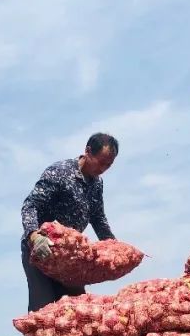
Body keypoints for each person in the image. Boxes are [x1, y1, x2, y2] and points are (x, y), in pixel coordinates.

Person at [21, 133, 118, 311]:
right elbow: (31, 205)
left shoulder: (97, 184)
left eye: (109, 165)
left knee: (77, 310)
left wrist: (113, 246)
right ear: (88, 151)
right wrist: (34, 236)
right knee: (44, 309)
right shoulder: (60, 172)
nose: (104, 168)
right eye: (101, 162)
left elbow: (98, 218)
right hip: (43, 248)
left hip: (70, 255)